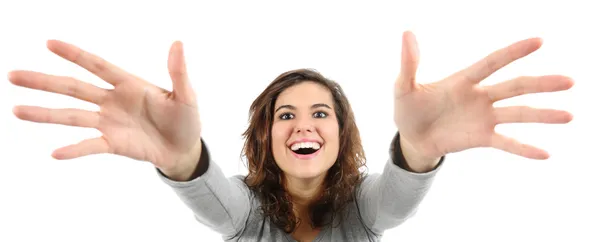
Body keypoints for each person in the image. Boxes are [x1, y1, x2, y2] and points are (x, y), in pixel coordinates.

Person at [8, 31, 574, 242]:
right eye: (285, 115)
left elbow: (398, 202)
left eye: (321, 113)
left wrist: (420, 148)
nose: (303, 124)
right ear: (265, 136)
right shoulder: (245, 212)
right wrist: (182, 159)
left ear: (341, 132)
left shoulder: (362, 209)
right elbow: (216, 207)